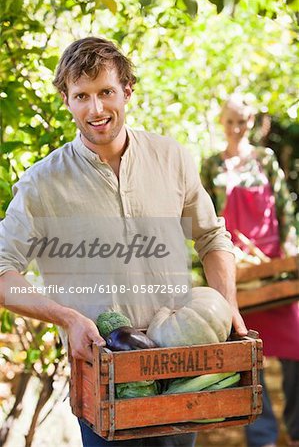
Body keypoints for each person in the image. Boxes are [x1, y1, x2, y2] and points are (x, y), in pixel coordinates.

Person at [0, 38, 247, 447]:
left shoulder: (172, 158)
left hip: (181, 372)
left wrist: (227, 305)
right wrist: (67, 318)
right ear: (66, 99)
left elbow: (211, 236)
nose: (95, 109)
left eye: (105, 92)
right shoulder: (41, 184)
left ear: (127, 91)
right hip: (104, 380)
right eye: (82, 96)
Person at [200, 94, 299, 447]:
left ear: (251, 122)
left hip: (273, 269)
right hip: (236, 273)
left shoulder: (265, 160)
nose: (236, 128)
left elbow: (285, 209)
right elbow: (205, 222)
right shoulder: (212, 166)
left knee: (296, 348)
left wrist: (290, 251)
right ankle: (263, 437)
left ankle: (298, 427)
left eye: (242, 121)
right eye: (230, 121)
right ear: (221, 122)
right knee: (248, 353)